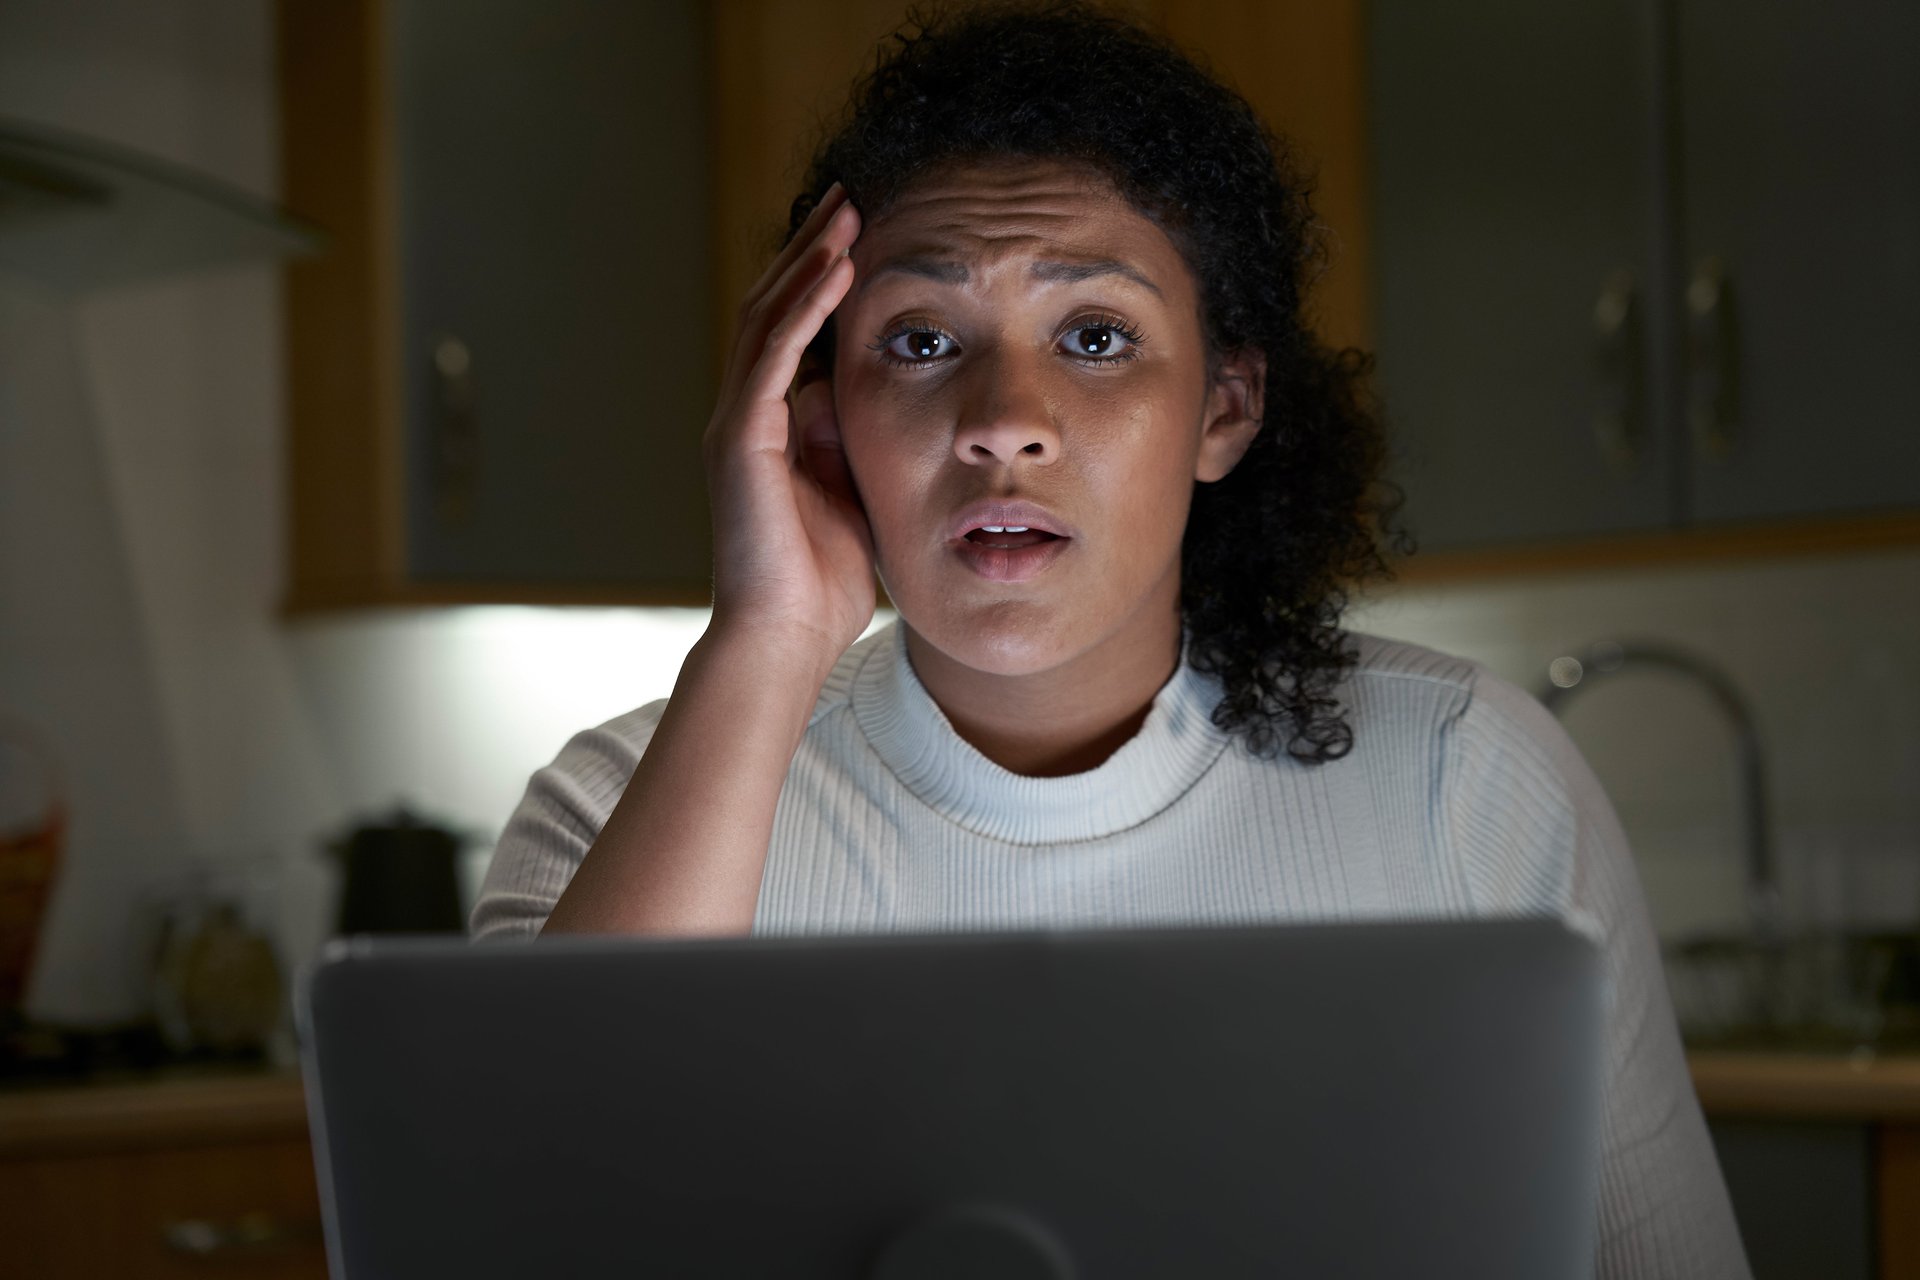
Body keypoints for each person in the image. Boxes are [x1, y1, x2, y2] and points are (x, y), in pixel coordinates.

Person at [471, 4, 1750, 1274]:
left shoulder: (1465, 781)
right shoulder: (610, 806)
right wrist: (766, 636)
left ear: (1224, 408)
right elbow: (519, 1236)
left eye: (1095, 336)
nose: (1004, 420)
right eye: (921, 340)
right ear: (818, 406)